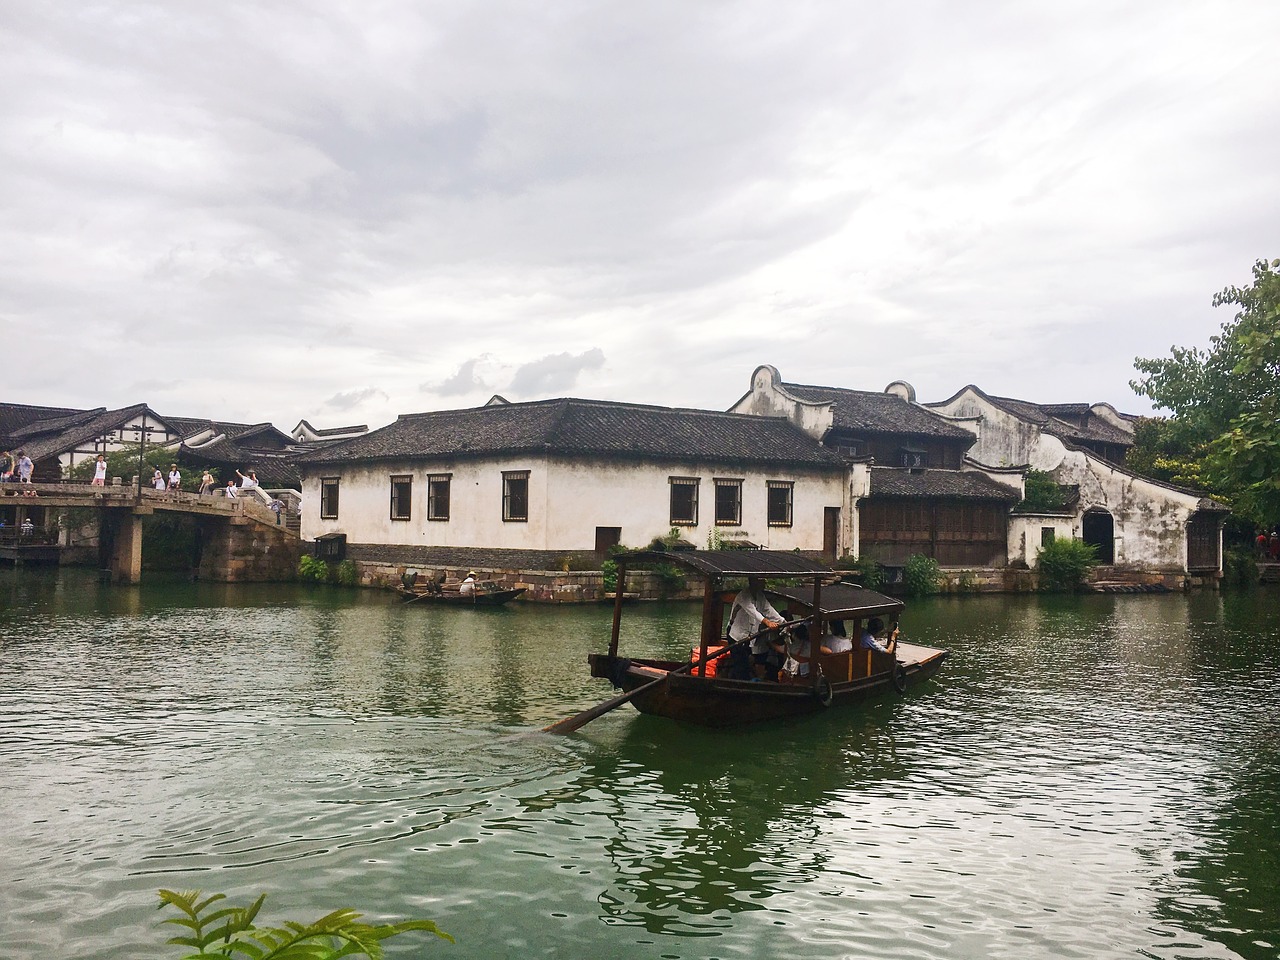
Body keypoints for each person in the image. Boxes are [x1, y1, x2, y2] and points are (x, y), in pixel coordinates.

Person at [728, 577, 785, 680]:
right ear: (753, 581)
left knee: (747, 664)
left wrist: (783, 622)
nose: (763, 583)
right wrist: (768, 622)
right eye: (761, 580)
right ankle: (738, 687)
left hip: (749, 638)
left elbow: (768, 610)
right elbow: (753, 612)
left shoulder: (759, 596)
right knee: (740, 666)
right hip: (737, 636)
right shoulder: (743, 596)